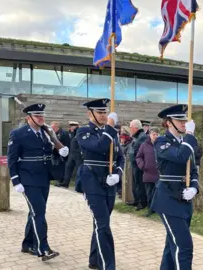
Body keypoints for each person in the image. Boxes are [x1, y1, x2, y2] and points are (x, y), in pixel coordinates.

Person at [7, 103, 69, 261]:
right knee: (39, 213)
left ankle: (27, 244)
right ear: (28, 118)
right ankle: (43, 248)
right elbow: (12, 159)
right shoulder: (18, 133)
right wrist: (15, 181)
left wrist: (59, 148)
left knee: (35, 212)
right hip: (27, 179)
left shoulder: (46, 132)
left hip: (43, 178)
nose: (41, 118)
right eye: (37, 115)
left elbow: (48, 150)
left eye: (42, 115)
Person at [76, 98, 125, 270]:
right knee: (103, 224)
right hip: (92, 182)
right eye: (100, 112)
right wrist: (110, 127)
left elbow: (120, 157)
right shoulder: (83, 132)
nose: (104, 115)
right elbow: (99, 147)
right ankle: (107, 265)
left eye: (105, 112)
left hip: (109, 183)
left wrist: (118, 174)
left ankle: (94, 260)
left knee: (100, 224)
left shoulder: (111, 133)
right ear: (90, 114)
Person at [151, 104, 199, 270]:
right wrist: (190, 136)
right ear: (168, 122)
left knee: (172, 245)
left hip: (185, 201)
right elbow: (179, 156)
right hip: (168, 200)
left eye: (185, 119)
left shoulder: (186, 143)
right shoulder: (161, 142)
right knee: (184, 246)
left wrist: (194, 187)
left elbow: (193, 170)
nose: (183, 123)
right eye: (179, 120)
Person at [136, 127, 160, 216]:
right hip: (148, 173)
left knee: (158, 192)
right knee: (149, 193)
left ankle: (158, 209)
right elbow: (138, 157)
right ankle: (150, 209)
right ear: (149, 135)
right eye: (153, 134)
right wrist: (142, 165)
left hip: (159, 173)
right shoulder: (144, 145)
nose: (155, 136)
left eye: (157, 134)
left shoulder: (161, 144)